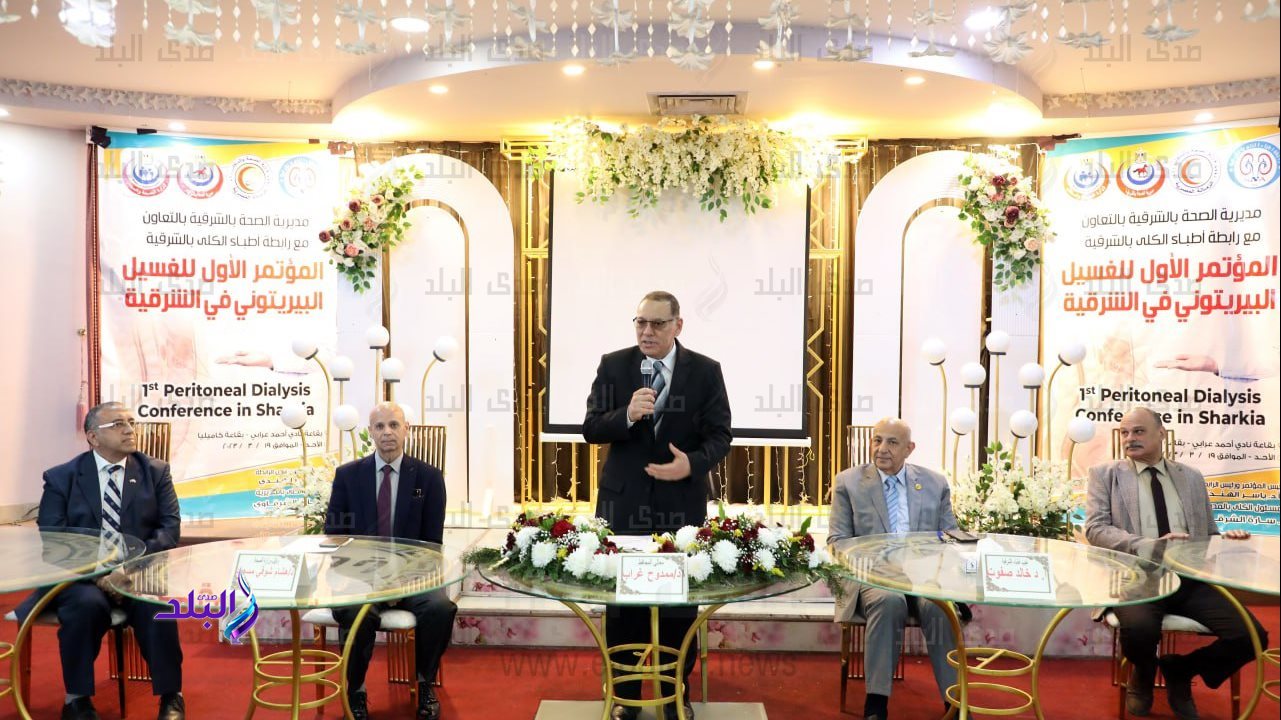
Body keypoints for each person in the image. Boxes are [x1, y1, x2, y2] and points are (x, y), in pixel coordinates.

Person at [582, 290, 732, 720]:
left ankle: (674, 694)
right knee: (623, 605)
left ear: (678, 325)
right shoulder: (614, 365)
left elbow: (721, 435)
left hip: (680, 506)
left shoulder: (705, 371)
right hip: (623, 505)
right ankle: (626, 696)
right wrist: (627, 415)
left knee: (678, 608)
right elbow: (591, 427)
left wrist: (692, 465)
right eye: (640, 323)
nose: (647, 331)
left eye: (657, 324)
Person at [1085, 406, 1266, 720]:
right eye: (1125, 432)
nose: (1129, 438)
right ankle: (1144, 673)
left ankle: (1181, 670)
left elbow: (1208, 535)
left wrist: (1227, 540)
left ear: (1161, 434)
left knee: (1252, 635)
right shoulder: (1105, 475)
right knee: (1139, 631)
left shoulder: (1191, 477)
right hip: (1137, 579)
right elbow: (1095, 529)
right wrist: (1147, 545)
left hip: (1188, 578)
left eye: (1138, 431)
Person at [17, 402, 185, 720]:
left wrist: (126, 569)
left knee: (156, 606)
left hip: (137, 573)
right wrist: (99, 575)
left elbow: (169, 530)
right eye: (118, 424)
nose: (129, 430)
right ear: (93, 437)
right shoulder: (61, 478)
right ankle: (77, 700)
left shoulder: (155, 472)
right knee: (85, 605)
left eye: (131, 422)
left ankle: (171, 697)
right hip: (80, 577)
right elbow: (55, 540)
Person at [324, 402, 453, 720]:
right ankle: (355, 690)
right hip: (361, 577)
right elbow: (335, 536)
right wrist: (366, 574)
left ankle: (424, 683)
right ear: (371, 432)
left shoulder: (428, 478)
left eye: (394, 425)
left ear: (406, 429)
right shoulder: (348, 476)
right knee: (355, 610)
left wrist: (404, 575)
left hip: (413, 577)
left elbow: (432, 544)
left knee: (440, 607)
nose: (387, 433)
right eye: (380, 426)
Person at [827, 418, 959, 720]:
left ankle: (953, 703)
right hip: (875, 577)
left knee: (940, 607)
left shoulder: (934, 483)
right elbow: (837, 542)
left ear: (909, 449)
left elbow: (950, 536)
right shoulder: (848, 482)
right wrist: (874, 565)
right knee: (889, 602)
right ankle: (876, 704)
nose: (881, 449)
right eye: (877, 440)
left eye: (892, 442)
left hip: (923, 576)